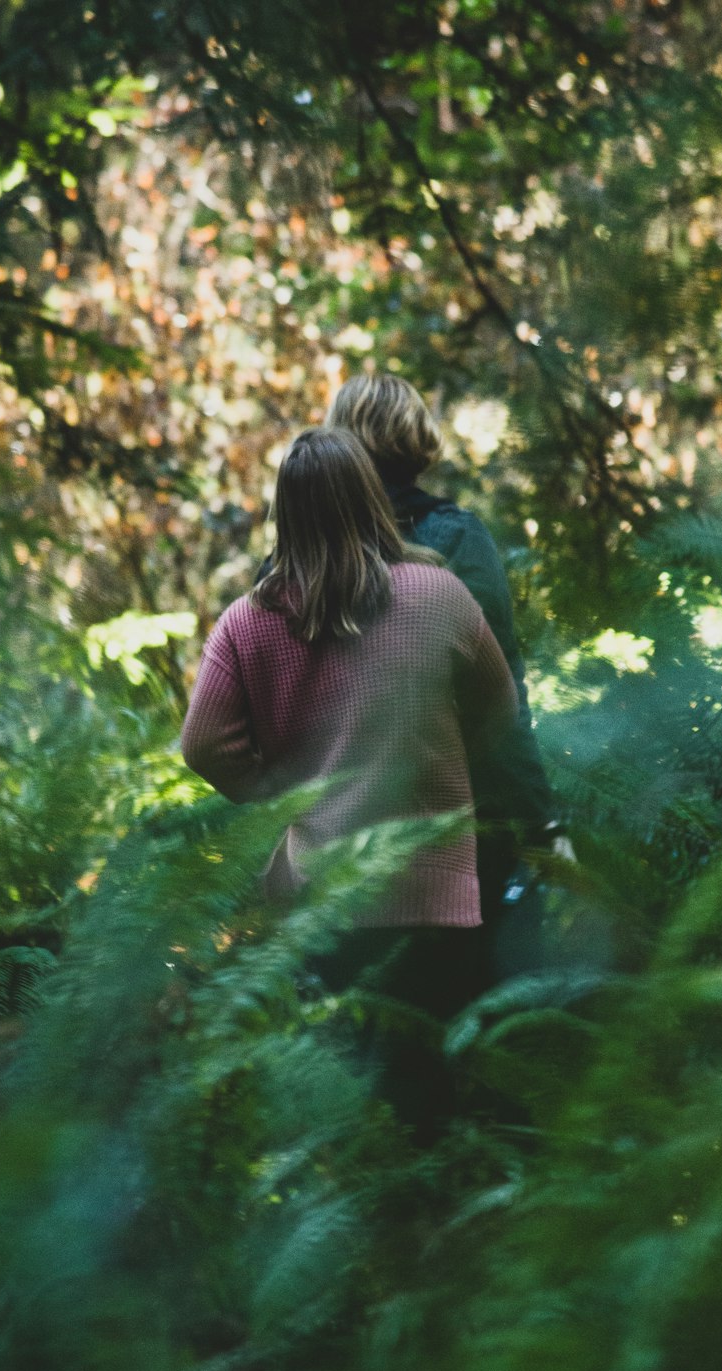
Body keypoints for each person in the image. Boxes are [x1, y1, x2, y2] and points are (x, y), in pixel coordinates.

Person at [181, 427, 519, 1025]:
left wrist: (279, 794)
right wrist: (442, 757)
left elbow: (203, 744)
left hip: (321, 896)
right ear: (371, 499)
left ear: (285, 514)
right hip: (434, 885)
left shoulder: (244, 623)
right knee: (430, 1080)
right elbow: (501, 708)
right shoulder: (441, 595)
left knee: (339, 1083)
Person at [326, 375, 573, 968]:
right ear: (416, 442)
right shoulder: (459, 540)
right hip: (459, 832)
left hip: (333, 843)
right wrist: (542, 823)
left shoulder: (299, 556)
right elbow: (500, 699)